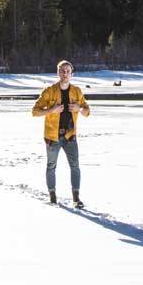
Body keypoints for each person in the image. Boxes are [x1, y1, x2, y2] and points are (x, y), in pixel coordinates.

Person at [32, 60, 90, 208]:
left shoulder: (77, 91)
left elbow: (87, 111)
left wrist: (78, 108)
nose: (65, 74)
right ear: (58, 73)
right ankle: (52, 196)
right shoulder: (49, 91)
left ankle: (76, 198)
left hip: (70, 136)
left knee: (75, 166)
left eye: (67, 71)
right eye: (62, 71)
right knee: (51, 167)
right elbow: (35, 111)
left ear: (72, 74)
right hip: (53, 136)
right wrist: (51, 110)